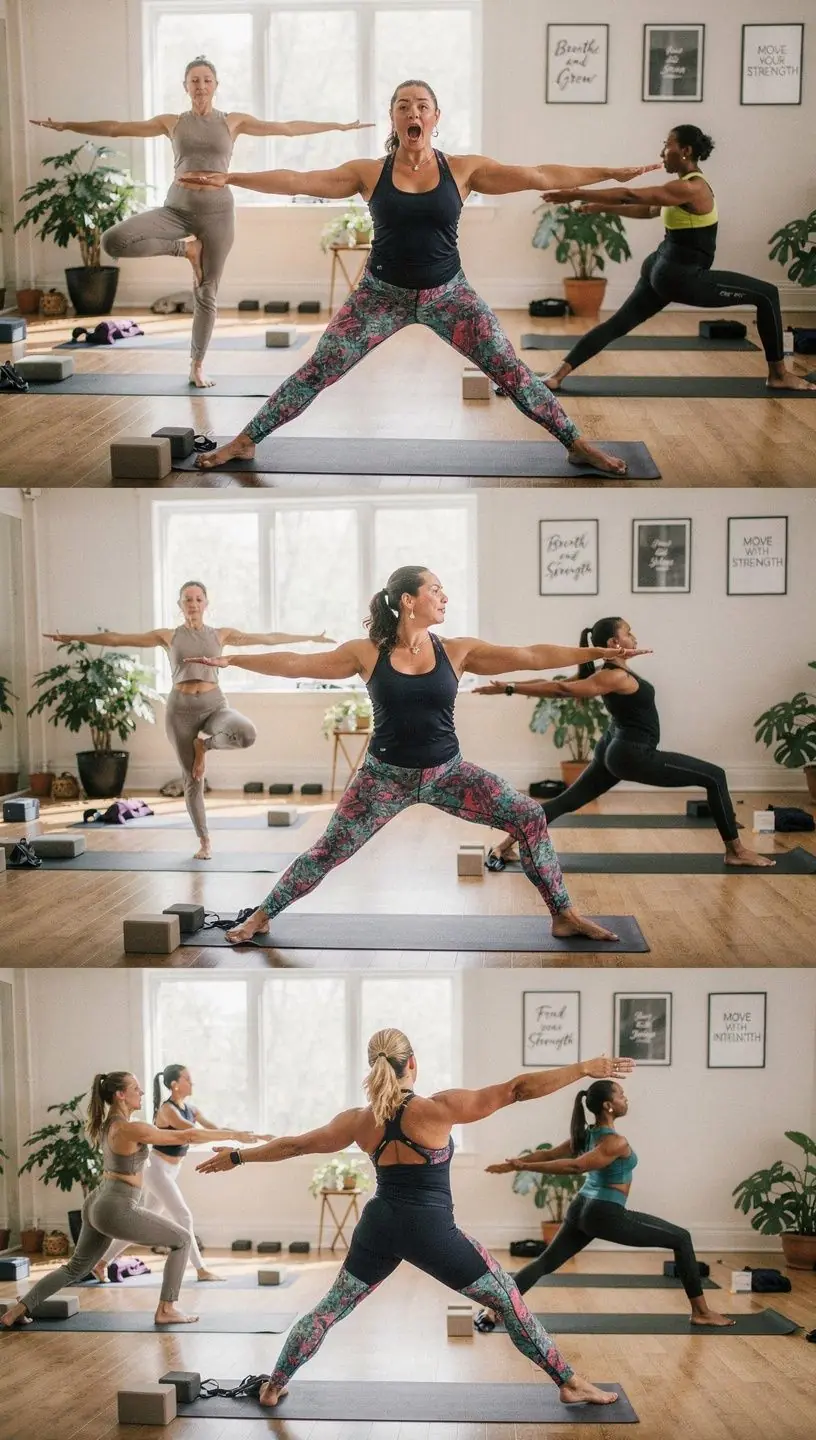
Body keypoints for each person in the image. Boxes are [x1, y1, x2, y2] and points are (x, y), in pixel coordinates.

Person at [176, 78, 660, 473]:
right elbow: (300, 182)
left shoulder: (464, 170)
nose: (413, 112)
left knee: (512, 371)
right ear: (394, 118)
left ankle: (576, 442)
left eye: (422, 105)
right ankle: (244, 441)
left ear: (434, 117)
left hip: (450, 295)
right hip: (378, 296)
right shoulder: (369, 172)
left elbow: (537, 175)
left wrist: (609, 174)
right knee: (317, 371)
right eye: (404, 105)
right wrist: (232, 177)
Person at [188, 565, 651, 945]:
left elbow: (529, 655)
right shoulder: (366, 652)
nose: (444, 597)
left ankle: (563, 914)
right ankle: (264, 914)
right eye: (436, 590)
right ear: (408, 600)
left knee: (529, 816)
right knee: (327, 852)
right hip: (382, 779)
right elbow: (295, 664)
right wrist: (235, 661)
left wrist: (592, 649)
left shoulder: (458, 651)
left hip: (449, 773)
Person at [197, 1028, 636, 1408]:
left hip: (378, 1225)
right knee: (506, 1298)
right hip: (429, 1230)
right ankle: (570, 1382)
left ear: (374, 1068)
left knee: (329, 1310)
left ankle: (274, 1386)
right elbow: (517, 1088)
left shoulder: (358, 1121)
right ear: (413, 1064)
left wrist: (237, 1156)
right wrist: (583, 1067)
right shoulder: (437, 1109)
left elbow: (294, 1145)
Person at [32, 56, 372, 387]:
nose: (201, 86)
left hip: (218, 215)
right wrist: (66, 125)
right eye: (194, 80)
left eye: (207, 80)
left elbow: (286, 129)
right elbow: (117, 129)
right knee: (112, 241)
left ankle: (197, 365)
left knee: (206, 291)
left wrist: (339, 126)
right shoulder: (171, 122)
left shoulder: (233, 121)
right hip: (175, 210)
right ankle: (186, 250)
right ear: (185, 86)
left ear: (216, 85)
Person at [44, 579, 333, 859]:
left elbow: (268, 639)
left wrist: (310, 638)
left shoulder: (221, 634)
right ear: (180, 605)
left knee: (246, 733)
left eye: (198, 599)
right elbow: (118, 639)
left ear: (206, 603)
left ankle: (203, 747)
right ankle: (205, 842)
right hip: (179, 711)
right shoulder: (168, 636)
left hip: (215, 704)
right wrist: (72, 637)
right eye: (187, 599)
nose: (193, 604)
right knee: (192, 779)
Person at [474, 615, 773, 870]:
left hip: (614, 746)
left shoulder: (617, 668)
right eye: (628, 632)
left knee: (567, 801)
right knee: (715, 776)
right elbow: (563, 688)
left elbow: (557, 682)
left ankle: (505, 845)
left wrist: (511, 687)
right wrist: (511, 688)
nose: (634, 636)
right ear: (615, 643)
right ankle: (736, 851)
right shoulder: (614, 676)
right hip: (632, 753)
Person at [536, 125, 815, 394]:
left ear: (685, 150)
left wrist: (586, 198)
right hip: (681, 276)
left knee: (618, 324)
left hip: (661, 267)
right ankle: (779, 375)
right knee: (767, 294)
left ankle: (557, 376)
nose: (661, 152)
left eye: (666, 145)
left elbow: (641, 205)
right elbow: (638, 202)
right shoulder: (687, 188)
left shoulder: (690, 188)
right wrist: (591, 201)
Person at [0, 1071, 256, 1329]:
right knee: (182, 1239)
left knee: (75, 1268)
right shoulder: (130, 1128)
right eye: (136, 1088)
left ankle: (17, 1310)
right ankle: (166, 1309)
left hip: (98, 1200)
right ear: (120, 1095)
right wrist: (234, 1135)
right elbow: (186, 1136)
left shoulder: (108, 1123)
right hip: (116, 1205)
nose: (142, 1093)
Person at [479, 1078, 734, 1330]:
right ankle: (701, 1312)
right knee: (681, 1238)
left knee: (544, 1263)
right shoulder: (615, 1142)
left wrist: (517, 1164)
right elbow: (575, 1166)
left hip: (581, 1207)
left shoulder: (586, 1136)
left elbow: (550, 1155)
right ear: (608, 1106)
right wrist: (523, 1165)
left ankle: (494, 1309)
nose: (626, 1099)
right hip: (604, 1212)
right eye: (621, 1095)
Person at [93, 1063, 268, 1284]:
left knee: (145, 1215)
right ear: (175, 1085)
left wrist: (255, 1136)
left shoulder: (192, 1109)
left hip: (170, 1171)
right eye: (187, 1078)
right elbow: (192, 1134)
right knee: (184, 1216)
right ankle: (201, 1270)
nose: (191, 1082)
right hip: (157, 1170)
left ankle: (102, 1262)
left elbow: (212, 1129)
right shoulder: (168, 1110)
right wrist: (235, 1135)